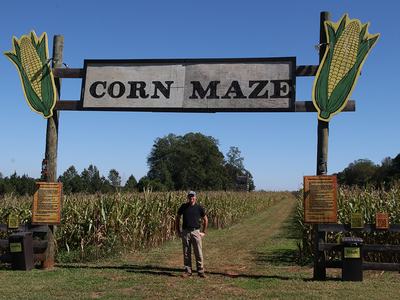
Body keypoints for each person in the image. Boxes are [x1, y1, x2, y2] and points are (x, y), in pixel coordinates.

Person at [176, 190, 208, 278]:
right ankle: (187, 271)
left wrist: (203, 232)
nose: (191, 198)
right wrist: (178, 231)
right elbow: (177, 218)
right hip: (186, 232)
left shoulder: (199, 208)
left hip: (196, 232)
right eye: (190, 196)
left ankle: (200, 271)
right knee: (186, 252)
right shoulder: (183, 206)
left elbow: (205, 219)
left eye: (193, 196)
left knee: (198, 252)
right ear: (187, 197)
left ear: (195, 197)